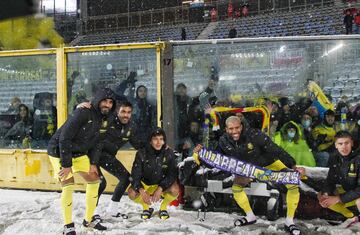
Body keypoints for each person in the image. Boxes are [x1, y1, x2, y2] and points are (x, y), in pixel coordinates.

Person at [193, 116, 304, 235]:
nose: (234, 131)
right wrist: (201, 155)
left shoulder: (255, 135)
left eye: (237, 128)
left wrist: (292, 165)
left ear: (241, 126)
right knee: (236, 188)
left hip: (269, 164)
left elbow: (276, 150)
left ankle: (289, 221)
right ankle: (250, 216)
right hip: (247, 169)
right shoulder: (223, 141)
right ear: (226, 129)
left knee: (292, 183)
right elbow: (216, 160)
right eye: (231, 128)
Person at [47, 88, 116, 235]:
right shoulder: (83, 112)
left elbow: (98, 143)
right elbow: (64, 138)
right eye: (104, 101)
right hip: (60, 151)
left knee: (95, 181)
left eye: (110, 102)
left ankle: (88, 220)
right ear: (98, 100)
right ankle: (68, 225)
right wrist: (66, 165)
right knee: (68, 184)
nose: (107, 105)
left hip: (79, 153)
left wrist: (93, 163)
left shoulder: (105, 118)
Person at [93, 100, 144, 219]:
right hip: (92, 155)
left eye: (129, 112)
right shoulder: (107, 121)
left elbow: (138, 145)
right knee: (100, 183)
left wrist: (156, 147)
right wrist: (93, 162)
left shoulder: (131, 127)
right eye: (123, 112)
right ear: (117, 111)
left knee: (126, 178)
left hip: (107, 157)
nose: (126, 115)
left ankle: (112, 210)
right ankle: (92, 212)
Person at [128, 128, 179, 220]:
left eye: (161, 139)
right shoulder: (141, 153)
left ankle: (163, 208)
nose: (158, 142)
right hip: (145, 185)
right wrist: (141, 190)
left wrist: (160, 188)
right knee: (131, 192)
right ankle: (146, 207)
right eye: (155, 139)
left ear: (164, 141)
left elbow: (172, 175)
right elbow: (135, 175)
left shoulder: (169, 153)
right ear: (150, 141)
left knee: (175, 189)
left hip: (160, 185)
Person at [318, 131, 360, 227]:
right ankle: (352, 216)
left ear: (352, 143)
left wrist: (338, 198)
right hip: (350, 191)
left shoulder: (358, 158)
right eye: (340, 144)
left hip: (357, 194)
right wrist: (326, 193)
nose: (344, 147)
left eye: (347, 143)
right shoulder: (335, 157)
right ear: (336, 145)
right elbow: (330, 180)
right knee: (322, 196)